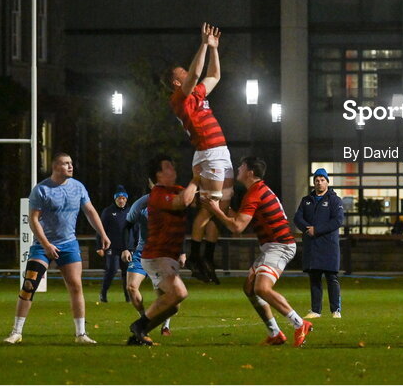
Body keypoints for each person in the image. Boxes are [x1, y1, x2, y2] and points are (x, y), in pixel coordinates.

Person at [204, 157, 313, 347]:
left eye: (242, 166)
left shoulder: (255, 192)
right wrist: (225, 209)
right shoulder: (257, 190)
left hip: (280, 245)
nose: (238, 168)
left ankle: (300, 323)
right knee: (249, 288)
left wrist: (216, 211)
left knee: (261, 288)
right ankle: (275, 333)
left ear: (250, 172)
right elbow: (240, 220)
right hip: (273, 245)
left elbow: (237, 227)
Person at [4, 153, 110, 345]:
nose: (70, 166)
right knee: (29, 285)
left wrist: (102, 233)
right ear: (55, 167)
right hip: (42, 244)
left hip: (69, 244)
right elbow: (33, 220)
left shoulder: (78, 187)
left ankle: (81, 334)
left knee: (76, 286)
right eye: (65, 163)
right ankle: (16, 332)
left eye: (71, 163)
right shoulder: (41, 190)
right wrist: (46, 245)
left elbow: (90, 211)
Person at [167, 23, 231, 283]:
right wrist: (203, 44)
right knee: (212, 207)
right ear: (176, 82)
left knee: (222, 205)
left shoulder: (197, 93)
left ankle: (207, 257)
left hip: (219, 151)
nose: (189, 72)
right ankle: (195, 255)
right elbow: (195, 74)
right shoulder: (180, 99)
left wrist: (214, 49)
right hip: (210, 152)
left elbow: (214, 76)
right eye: (182, 72)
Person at [127, 155, 199, 346]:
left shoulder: (176, 190)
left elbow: (191, 200)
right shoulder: (157, 194)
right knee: (179, 293)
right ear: (157, 175)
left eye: (172, 166)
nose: (173, 169)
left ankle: (138, 336)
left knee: (172, 307)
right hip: (156, 256)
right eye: (167, 167)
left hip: (169, 256)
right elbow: (181, 202)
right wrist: (196, 179)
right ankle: (139, 325)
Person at [122, 192, 175, 337]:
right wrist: (126, 248)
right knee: (131, 287)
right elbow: (127, 225)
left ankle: (165, 326)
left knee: (164, 294)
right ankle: (143, 320)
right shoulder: (140, 204)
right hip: (141, 253)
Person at [294, 168, 345, 319]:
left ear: (327, 182)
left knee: (331, 278)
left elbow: (337, 221)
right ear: (314, 182)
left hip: (329, 246)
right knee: (314, 278)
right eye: (317, 180)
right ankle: (316, 310)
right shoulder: (306, 200)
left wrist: (317, 230)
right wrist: (307, 229)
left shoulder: (334, 200)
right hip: (312, 246)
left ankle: (336, 310)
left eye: (322, 180)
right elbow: (297, 218)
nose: (319, 183)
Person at [97, 186, 131, 303]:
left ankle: (128, 296)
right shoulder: (108, 212)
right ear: (115, 199)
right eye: (118, 198)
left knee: (127, 272)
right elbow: (100, 229)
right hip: (112, 247)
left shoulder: (131, 211)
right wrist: (99, 246)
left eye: (123, 198)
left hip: (127, 248)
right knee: (112, 269)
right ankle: (103, 292)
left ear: (126, 199)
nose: (121, 201)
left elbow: (136, 230)